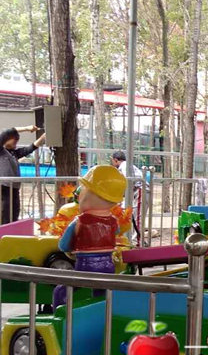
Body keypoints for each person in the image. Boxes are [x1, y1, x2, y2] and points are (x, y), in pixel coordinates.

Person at [55, 165, 126, 306]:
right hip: (108, 265)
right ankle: (103, 312)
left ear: (86, 195)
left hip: (85, 265)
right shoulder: (113, 221)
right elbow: (116, 232)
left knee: (61, 290)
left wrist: (72, 247)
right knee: (102, 293)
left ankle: (60, 312)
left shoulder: (79, 221)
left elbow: (63, 246)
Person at [0, 125, 46, 224]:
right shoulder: (1, 151)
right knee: (5, 215)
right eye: (14, 139)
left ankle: (11, 231)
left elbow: (30, 148)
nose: (16, 141)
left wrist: (43, 137)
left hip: (14, 188)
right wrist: (27, 128)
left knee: (14, 214)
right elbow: (7, 132)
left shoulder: (14, 153)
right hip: (4, 188)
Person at [110, 151, 147, 245]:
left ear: (115, 160)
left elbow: (129, 182)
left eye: (112, 161)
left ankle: (137, 242)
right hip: (136, 192)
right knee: (130, 215)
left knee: (138, 217)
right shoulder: (127, 166)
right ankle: (132, 239)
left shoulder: (124, 166)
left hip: (139, 190)